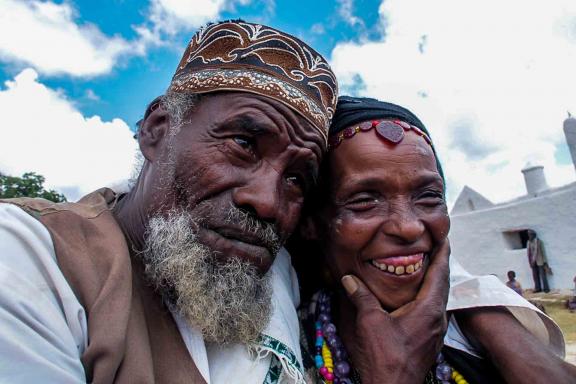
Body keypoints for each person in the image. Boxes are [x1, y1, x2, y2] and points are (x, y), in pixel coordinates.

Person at [0, 20, 339, 384]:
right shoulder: (31, 257)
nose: (268, 202)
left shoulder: (278, 276)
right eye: (243, 144)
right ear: (158, 128)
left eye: (296, 179)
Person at [289, 96, 575, 383]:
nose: (409, 227)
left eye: (428, 197)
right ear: (311, 223)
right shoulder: (278, 356)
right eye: (365, 200)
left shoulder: (490, 344)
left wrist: (487, 317)